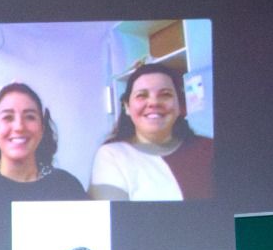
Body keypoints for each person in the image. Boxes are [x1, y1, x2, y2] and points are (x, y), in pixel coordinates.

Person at [89, 62, 213, 201]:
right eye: (142, 95)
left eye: (165, 94)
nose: (154, 103)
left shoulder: (210, 148)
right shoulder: (112, 155)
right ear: (127, 107)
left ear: (180, 105)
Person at [0, 82, 88, 202]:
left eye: (30, 117)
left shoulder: (67, 187)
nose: (19, 127)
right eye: (8, 117)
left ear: (42, 129)